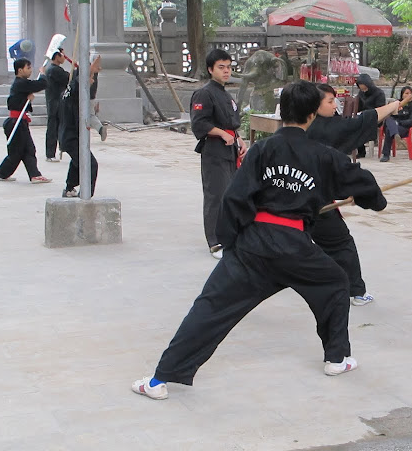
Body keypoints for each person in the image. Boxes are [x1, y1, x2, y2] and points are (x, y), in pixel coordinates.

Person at [131, 81, 387, 400]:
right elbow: (365, 185)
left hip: (253, 245)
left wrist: (232, 247)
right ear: (312, 114)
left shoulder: (262, 150)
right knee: (336, 283)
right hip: (295, 247)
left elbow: (234, 199)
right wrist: (373, 200)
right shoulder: (323, 155)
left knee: (211, 306)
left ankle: (159, 380)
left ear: (283, 113)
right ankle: (337, 358)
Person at [308, 83, 400, 306]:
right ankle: (356, 292)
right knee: (341, 243)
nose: (335, 105)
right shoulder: (325, 129)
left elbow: (358, 122)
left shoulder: (302, 127)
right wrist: (392, 106)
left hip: (293, 198)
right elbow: (360, 122)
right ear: (315, 106)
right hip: (315, 202)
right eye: (330, 101)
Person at [190, 49, 248, 260]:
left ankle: (230, 236)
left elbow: (230, 123)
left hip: (230, 149)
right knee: (216, 195)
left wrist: (239, 139)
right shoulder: (204, 94)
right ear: (210, 69)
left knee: (231, 195)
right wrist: (222, 133)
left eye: (229, 67)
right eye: (221, 67)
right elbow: (199, 123)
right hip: (214, 150)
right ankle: (215, 242)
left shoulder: (226, 94)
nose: (226, 71)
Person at [0, 58, 53, 184]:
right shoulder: (20, 83)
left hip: (21, 121)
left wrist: (28, 98)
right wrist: (43, 74)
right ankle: (1, 173)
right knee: (16, 153)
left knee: (28, 149)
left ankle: (34, 175)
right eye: (28, 68)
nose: (30, 70)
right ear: (20, 70)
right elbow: (41, 85)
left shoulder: (22, 84)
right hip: (16, 123)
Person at [58, 63, 99, 198]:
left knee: (77, 163)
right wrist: (89, 72)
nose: (92, 80)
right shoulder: (75, 89)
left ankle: (69, 188)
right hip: (71, 137)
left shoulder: (69, 92)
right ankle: (86, 195)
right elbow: (79, 83)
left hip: (71, 135)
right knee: (90, 164)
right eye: (91, 77)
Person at [380, 85, 412, 163]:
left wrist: (399, 122)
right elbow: (389, 115)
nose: (409, 95)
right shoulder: (397, 104)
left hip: (404, 128)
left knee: (388, 130)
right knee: (389, 120)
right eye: (406, 93)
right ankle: (395, 133)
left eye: (410, 93)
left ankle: (386, 155)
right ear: (402, 95)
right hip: (393, 125)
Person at [43, 49, 70, 162]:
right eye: (62, 55)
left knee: (57, 127)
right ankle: (50, 153)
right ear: (57, 56)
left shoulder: (53, 69)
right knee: (53, 128)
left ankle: (60, 148)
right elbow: (68, 78)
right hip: (55, 102)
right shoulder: (54, 70)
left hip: (55, 101)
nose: (64, 58)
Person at [354, 73, 386, 158]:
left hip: (376, 117)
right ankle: (357, 148)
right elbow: (358, 107)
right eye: (362, 89)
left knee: (358, 125)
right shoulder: (361, 94)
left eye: (365, 89)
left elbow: (380, 109)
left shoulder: (379, 93)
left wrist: (367, 112)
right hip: (363, 116)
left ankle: (361, 150)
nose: (364, 91)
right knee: (352, 123)